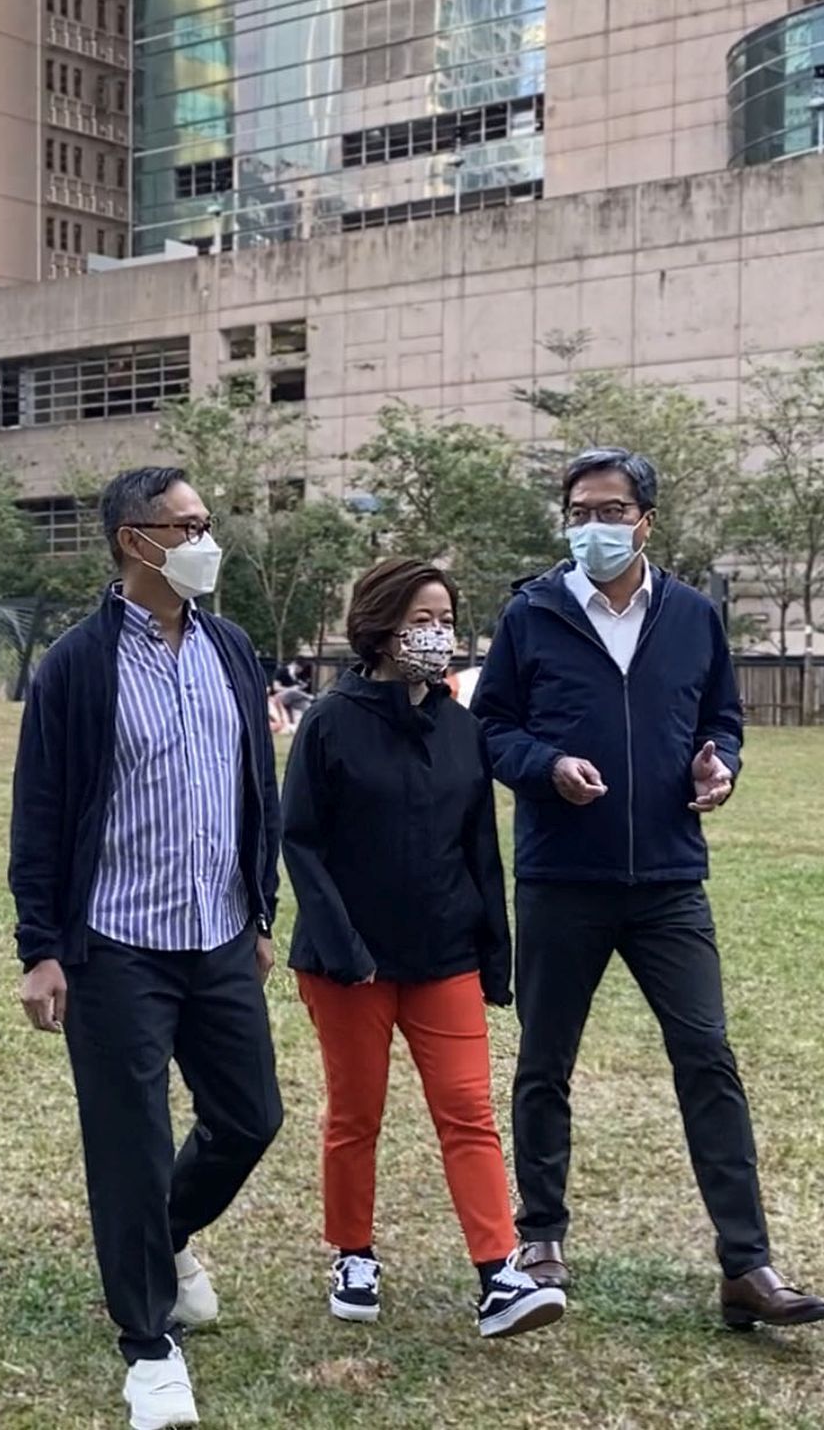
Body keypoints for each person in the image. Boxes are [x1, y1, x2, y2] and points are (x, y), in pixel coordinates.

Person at [471, 447, 824, 1332]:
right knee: (545, 1061)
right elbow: (490, 728)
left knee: (707, 1055)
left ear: (646, 519)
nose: (595, 523)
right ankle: (542, 1238)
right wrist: (545, 764)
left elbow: (720, 718)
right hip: (563, 875)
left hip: (671, 879)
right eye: (580, 509)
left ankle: (747, 1264)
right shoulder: (532, 613)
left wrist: (723, 763)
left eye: (613, 508)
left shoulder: (694, 616)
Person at [9, 466, 284, 1430]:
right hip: (115, 941)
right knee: (127, 1143)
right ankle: (148, 1345)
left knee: (250, 1116)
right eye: (191, 524)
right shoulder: (78, 665)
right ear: (137, 540)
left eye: (208, 519)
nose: (208, 538)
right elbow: (40, 813)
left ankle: (152, 1241)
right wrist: (40, 948)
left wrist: (259, 910)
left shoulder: (234, 650)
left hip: (216, 934)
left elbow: (257, 787)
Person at [281, 559, 567, 1341]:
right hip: (350, 965)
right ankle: (353, 1251)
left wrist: (492, 952)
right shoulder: (330, 722)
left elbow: (481, 846)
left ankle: (499, 1273)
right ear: (382, 623)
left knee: (469, 1112)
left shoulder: (459, 726)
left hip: (445, 955)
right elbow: (299, 842)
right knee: (355, 1112)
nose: (438, 633)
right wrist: (342, 946)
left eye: (446, 618)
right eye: (423, 617)